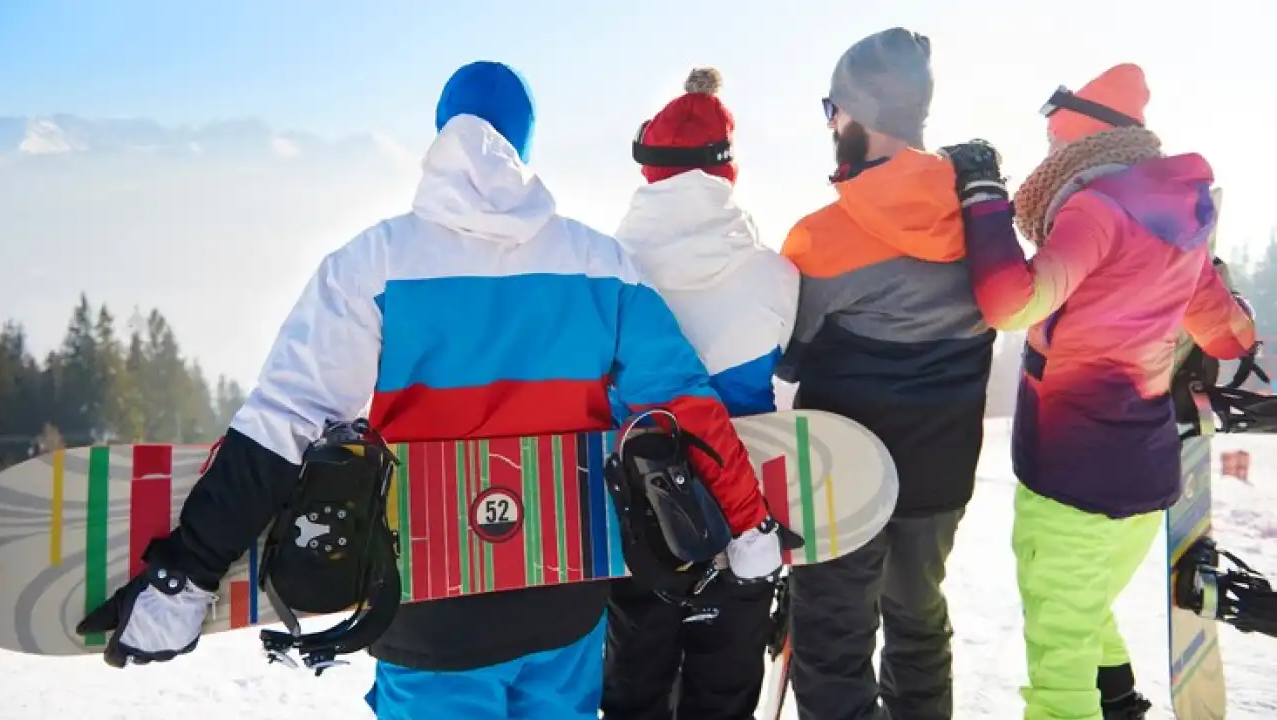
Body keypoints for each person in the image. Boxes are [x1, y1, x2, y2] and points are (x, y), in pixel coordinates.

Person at [74, 60, 787, 720]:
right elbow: (683, 404)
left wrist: (188, 576)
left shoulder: (374, 265)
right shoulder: (603, 265)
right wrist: (749, 525)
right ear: (526, 143)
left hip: (430, 608)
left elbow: (279, 425)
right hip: (566, 607)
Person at [944, 63, 1258, 720]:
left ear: (1084, 141)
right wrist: (1232, 309)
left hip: (1070, 476)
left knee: (1059, 667)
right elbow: (1224, 334)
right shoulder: (1179, 218)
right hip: (1141, 480)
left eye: (1057, 144)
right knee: (1085, 612)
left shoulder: (1095, 208)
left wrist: (983, 197)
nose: (1051, 156)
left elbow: (1012, 302)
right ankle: (1119, 701)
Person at [774, 28, 996, 720]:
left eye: (830, 110)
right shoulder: (981, 221)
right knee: (917, 616)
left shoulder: (820, 236)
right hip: (943, 472)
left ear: (853, 117)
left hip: (841, 480)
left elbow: (789, 358)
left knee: (834, 638)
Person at [600, 67, 800, 720]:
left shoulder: (605, 274)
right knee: (724, 698)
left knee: (633, 696)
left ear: (648, 171)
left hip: (634, 521)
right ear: (728, 172)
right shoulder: (776, 276)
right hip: (747, 519)